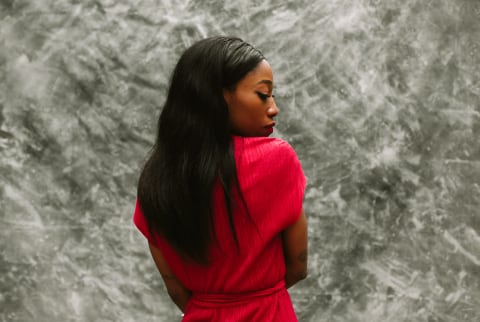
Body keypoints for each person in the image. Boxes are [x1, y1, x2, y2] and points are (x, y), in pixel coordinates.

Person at [133, 36, 307, 321]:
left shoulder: (157, 177)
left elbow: (176, 290)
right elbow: (298, 267)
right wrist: (255, 297)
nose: (273, 107)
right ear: (221, 96)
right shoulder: (278, 159)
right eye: (263, 94)